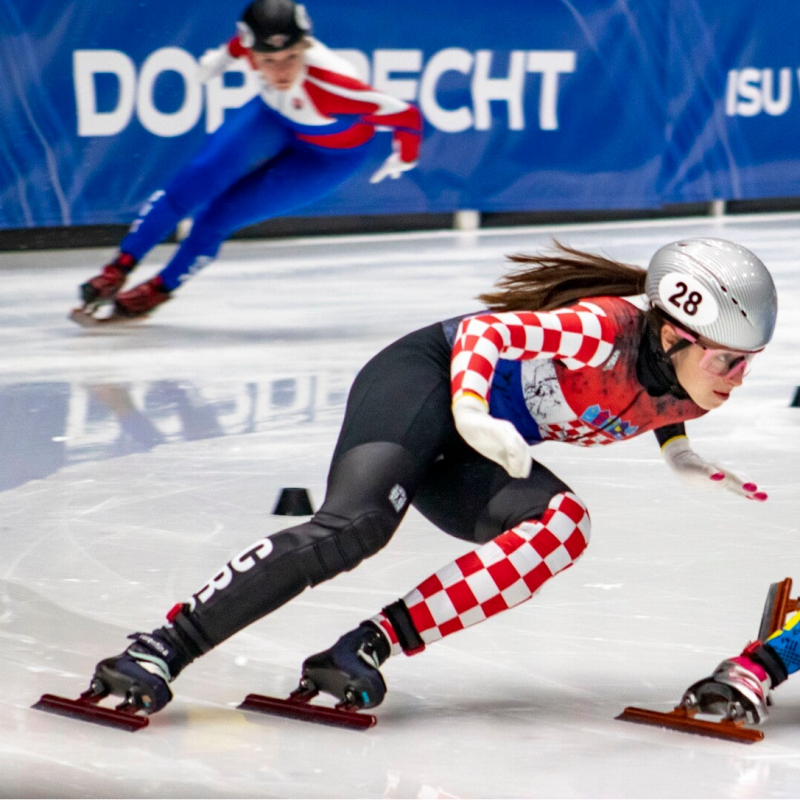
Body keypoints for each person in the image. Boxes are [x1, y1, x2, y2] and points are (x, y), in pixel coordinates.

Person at [85, 237, 779, 718]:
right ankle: (160, 647)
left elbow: (657, 402)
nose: (739, 380)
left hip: (477, 439)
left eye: (749, 361)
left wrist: (677, 453)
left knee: (561, 530)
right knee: (356, 528)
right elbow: (485, 337)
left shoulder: (687, 381)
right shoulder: (602, 328)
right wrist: (473, 411)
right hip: (424, 380)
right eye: (728, 362)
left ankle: (364, 646)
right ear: (671, 334)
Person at [75, 0, 422, 321]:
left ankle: (161, 287)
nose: (281, 70)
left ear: (305, 49)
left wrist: (404, 156)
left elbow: (406, 115)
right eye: (269, 61)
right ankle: (117, 269)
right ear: (254, 58)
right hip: (274, 118)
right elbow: (241, 41)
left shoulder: (334, 88)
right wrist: (221, 60)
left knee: (220, 215)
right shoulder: (254, 46)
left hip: (329, 158)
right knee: (193, 182)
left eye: (291, 57)